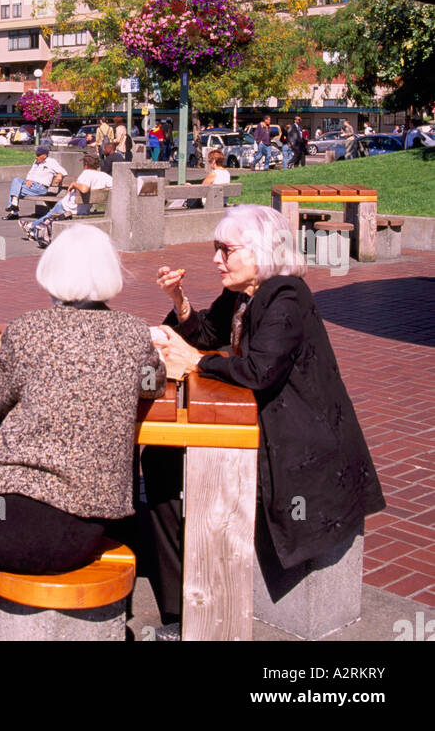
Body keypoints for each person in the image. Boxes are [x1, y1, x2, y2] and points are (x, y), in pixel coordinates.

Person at [0, 225, 167, 641]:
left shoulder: (30, 329)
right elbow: (153, 382)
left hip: (25, 513)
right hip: (90, 523)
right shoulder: (133, 332)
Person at [142, 204, 385, 639]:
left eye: (226, 250)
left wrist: (195, 362)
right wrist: (179, 304)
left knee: (165, 465)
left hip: (297, 447)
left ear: (259, 252)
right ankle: (184, 604)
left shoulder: (286, 295)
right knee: (160, 459)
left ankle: (189, 611)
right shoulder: (245, 293)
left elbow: (259, 370)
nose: (217, 259)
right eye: (217, 248)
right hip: (263, 427)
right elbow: (207, 334)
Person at [21, 151, 113, 245]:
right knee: (49, 216)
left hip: (68, 207)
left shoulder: (86, 174)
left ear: (85, 164)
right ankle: (32, 230)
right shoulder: (104, 176)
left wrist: (74, 184)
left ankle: (30, 227)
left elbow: (84, 189)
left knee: (49, 215)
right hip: (84, 209)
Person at [4, 145, 65, 219]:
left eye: (38, 155)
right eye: (36, 154)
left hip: (41, 188)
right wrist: (28, 179)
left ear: (45, 156)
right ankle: (14, 206)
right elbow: (31, 172)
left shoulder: (51, 162)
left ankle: (14, 210)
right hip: (32, 186)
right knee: (16, 180)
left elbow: (63, 171)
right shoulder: (36, 162)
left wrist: (60, 175)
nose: (36, 157)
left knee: (15, 190)